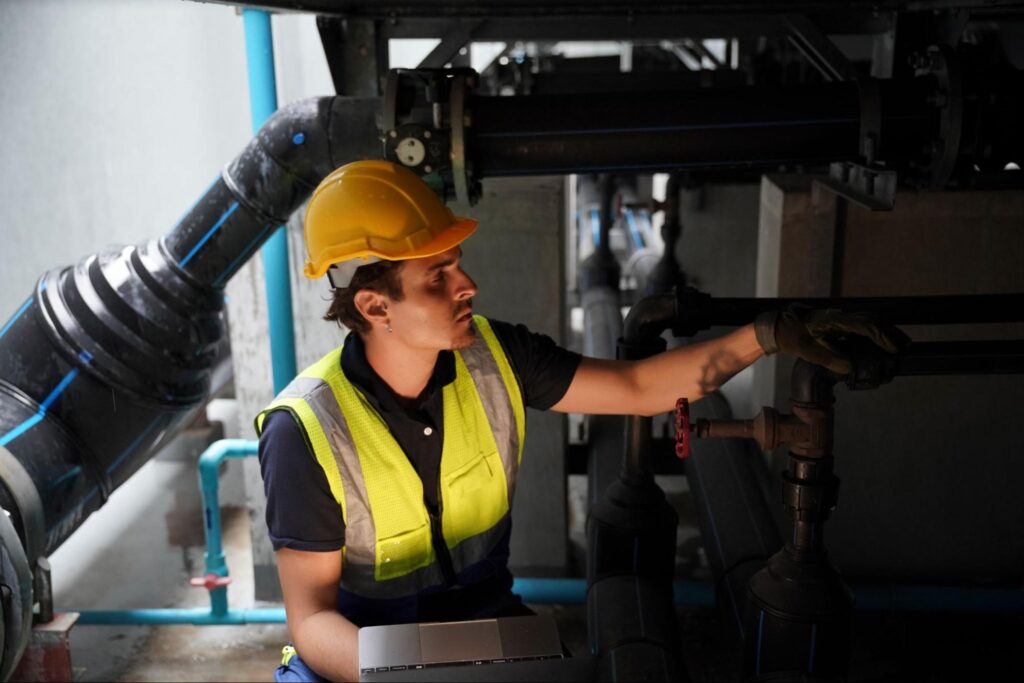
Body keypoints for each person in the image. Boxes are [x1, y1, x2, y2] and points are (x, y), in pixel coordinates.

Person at [256, 160, 902, 682]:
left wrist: (767, 334)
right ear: (375, 305)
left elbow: (641, 385)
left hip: (486, 628)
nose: (468, 284)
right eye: (438, 275)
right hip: (364, 657)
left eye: (458, 263)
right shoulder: (306, 431)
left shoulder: (496, 356)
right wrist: (410, 673)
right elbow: (312, 622)